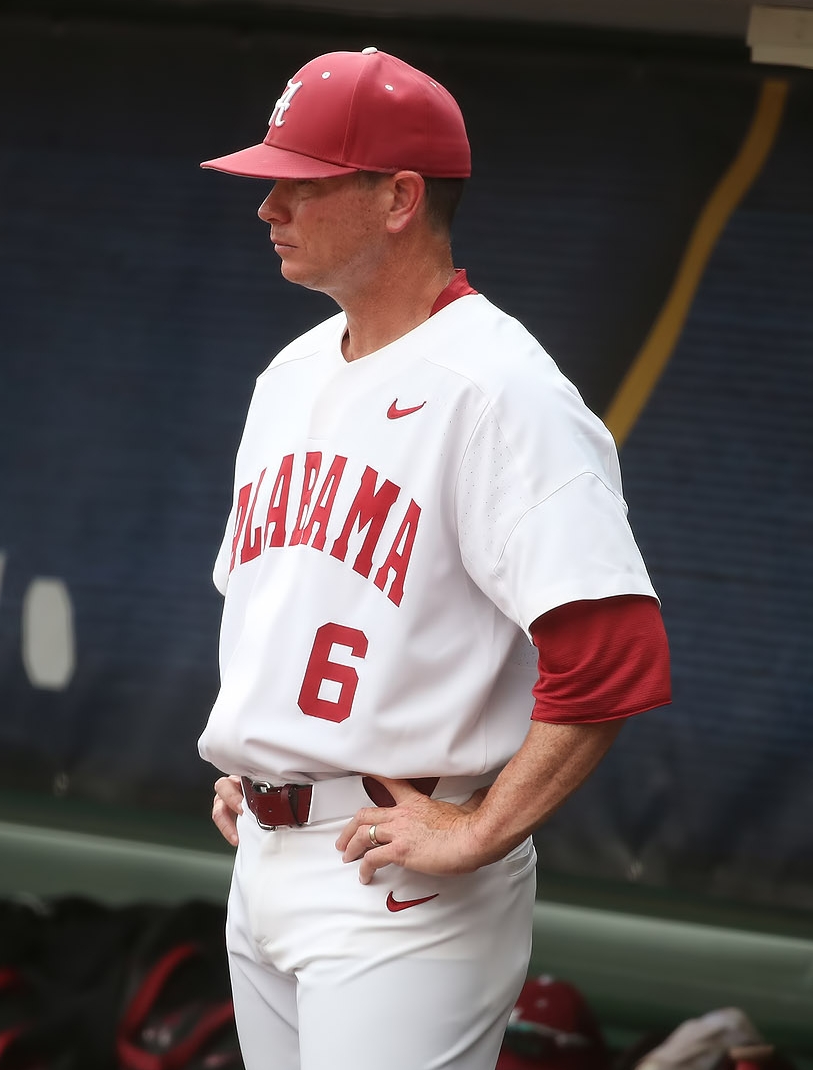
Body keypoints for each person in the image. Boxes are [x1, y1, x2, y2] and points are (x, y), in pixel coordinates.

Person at [198, 48, 672, 1070]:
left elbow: (615, 652)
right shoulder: (285, 375)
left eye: (304, 180)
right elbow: (268, 597)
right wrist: (256, 753)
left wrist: (481, 829)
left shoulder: (501, 388)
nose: (269, 204)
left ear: (400, 196)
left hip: (398, 878)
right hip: (266, 862)